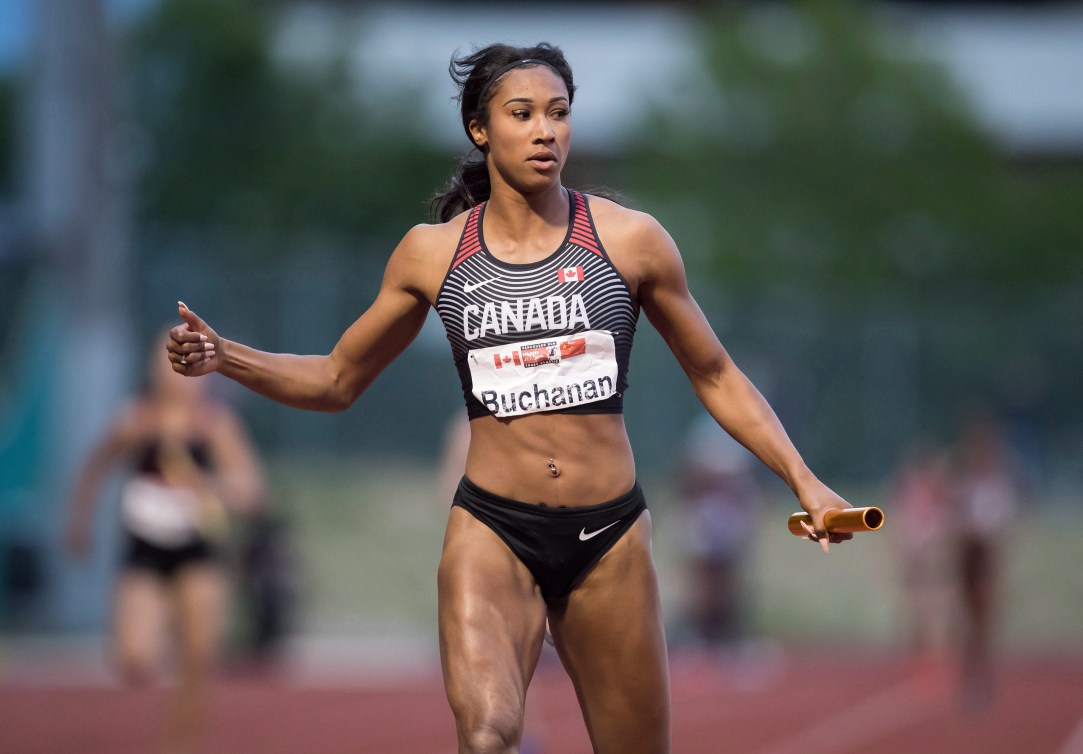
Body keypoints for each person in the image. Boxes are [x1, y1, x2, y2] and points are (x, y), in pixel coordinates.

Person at [166, 42, 853, 753]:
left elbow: (715, 375)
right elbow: (338, 380)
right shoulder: (432, 254)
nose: (544, 130)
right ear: (480, 129)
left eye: (558, 114)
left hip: (608, 536)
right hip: (492, 531)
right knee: (489, 735)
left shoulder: (630, 241)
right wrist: (226, 357)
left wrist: (804, 481)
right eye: (521, 114)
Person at [66, 333, 266, 754]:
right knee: (134, 657)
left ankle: (183, 744)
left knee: (198, 660)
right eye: (165, 359)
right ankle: (165, 624)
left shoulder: (214, 424)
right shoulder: (137, 420)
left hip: (198, 549)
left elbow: (251, 491)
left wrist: (206, 484)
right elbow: (94, 466)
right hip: (145, 549)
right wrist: (80, 520)